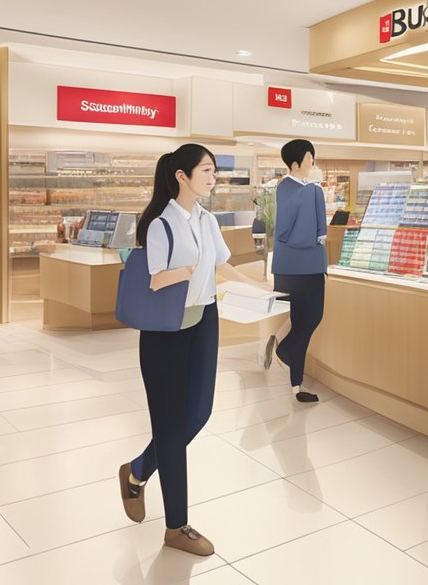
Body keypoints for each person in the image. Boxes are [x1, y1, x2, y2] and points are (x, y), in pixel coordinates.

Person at [116, 144, 271, 556]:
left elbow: (222, 264)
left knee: (198, 413)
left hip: (205, 319)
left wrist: (257, 285)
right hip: (166, 329)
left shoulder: (206, 219)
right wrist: (185, 271)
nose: (213, 176)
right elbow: (154, 279)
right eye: (206, 170)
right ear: (181, 176)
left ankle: (137, 471)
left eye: (214, 170)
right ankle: (176, 526)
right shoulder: (161, 223)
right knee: (169, 427)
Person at [262, 139, 328, 403]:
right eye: (310, 157)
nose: (312, 162)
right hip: (306, 266)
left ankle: (296, 385)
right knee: (311, 319)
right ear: (296, 162)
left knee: (302, 322)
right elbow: (291, 231)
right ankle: (285, 351)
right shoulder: (302, 190)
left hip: (289, 267)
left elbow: (284, 230)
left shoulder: (287, 189)